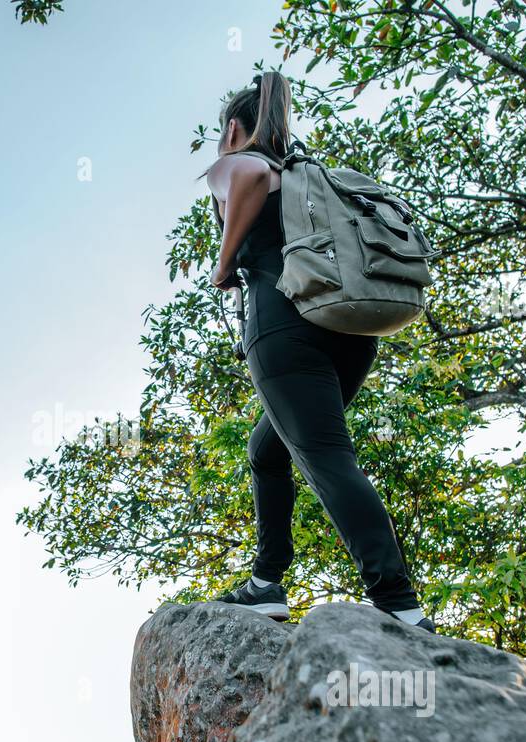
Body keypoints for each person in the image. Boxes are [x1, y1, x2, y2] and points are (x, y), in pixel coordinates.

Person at [203, 71, 436, 633]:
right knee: (268, 450)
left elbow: (250, 174)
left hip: (285, 327)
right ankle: (266, 583)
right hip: (349, 332)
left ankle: (399, 604)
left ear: (234, 127)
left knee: (328, 458)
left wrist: (224, 260)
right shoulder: (307, 177)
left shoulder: (240, 161)